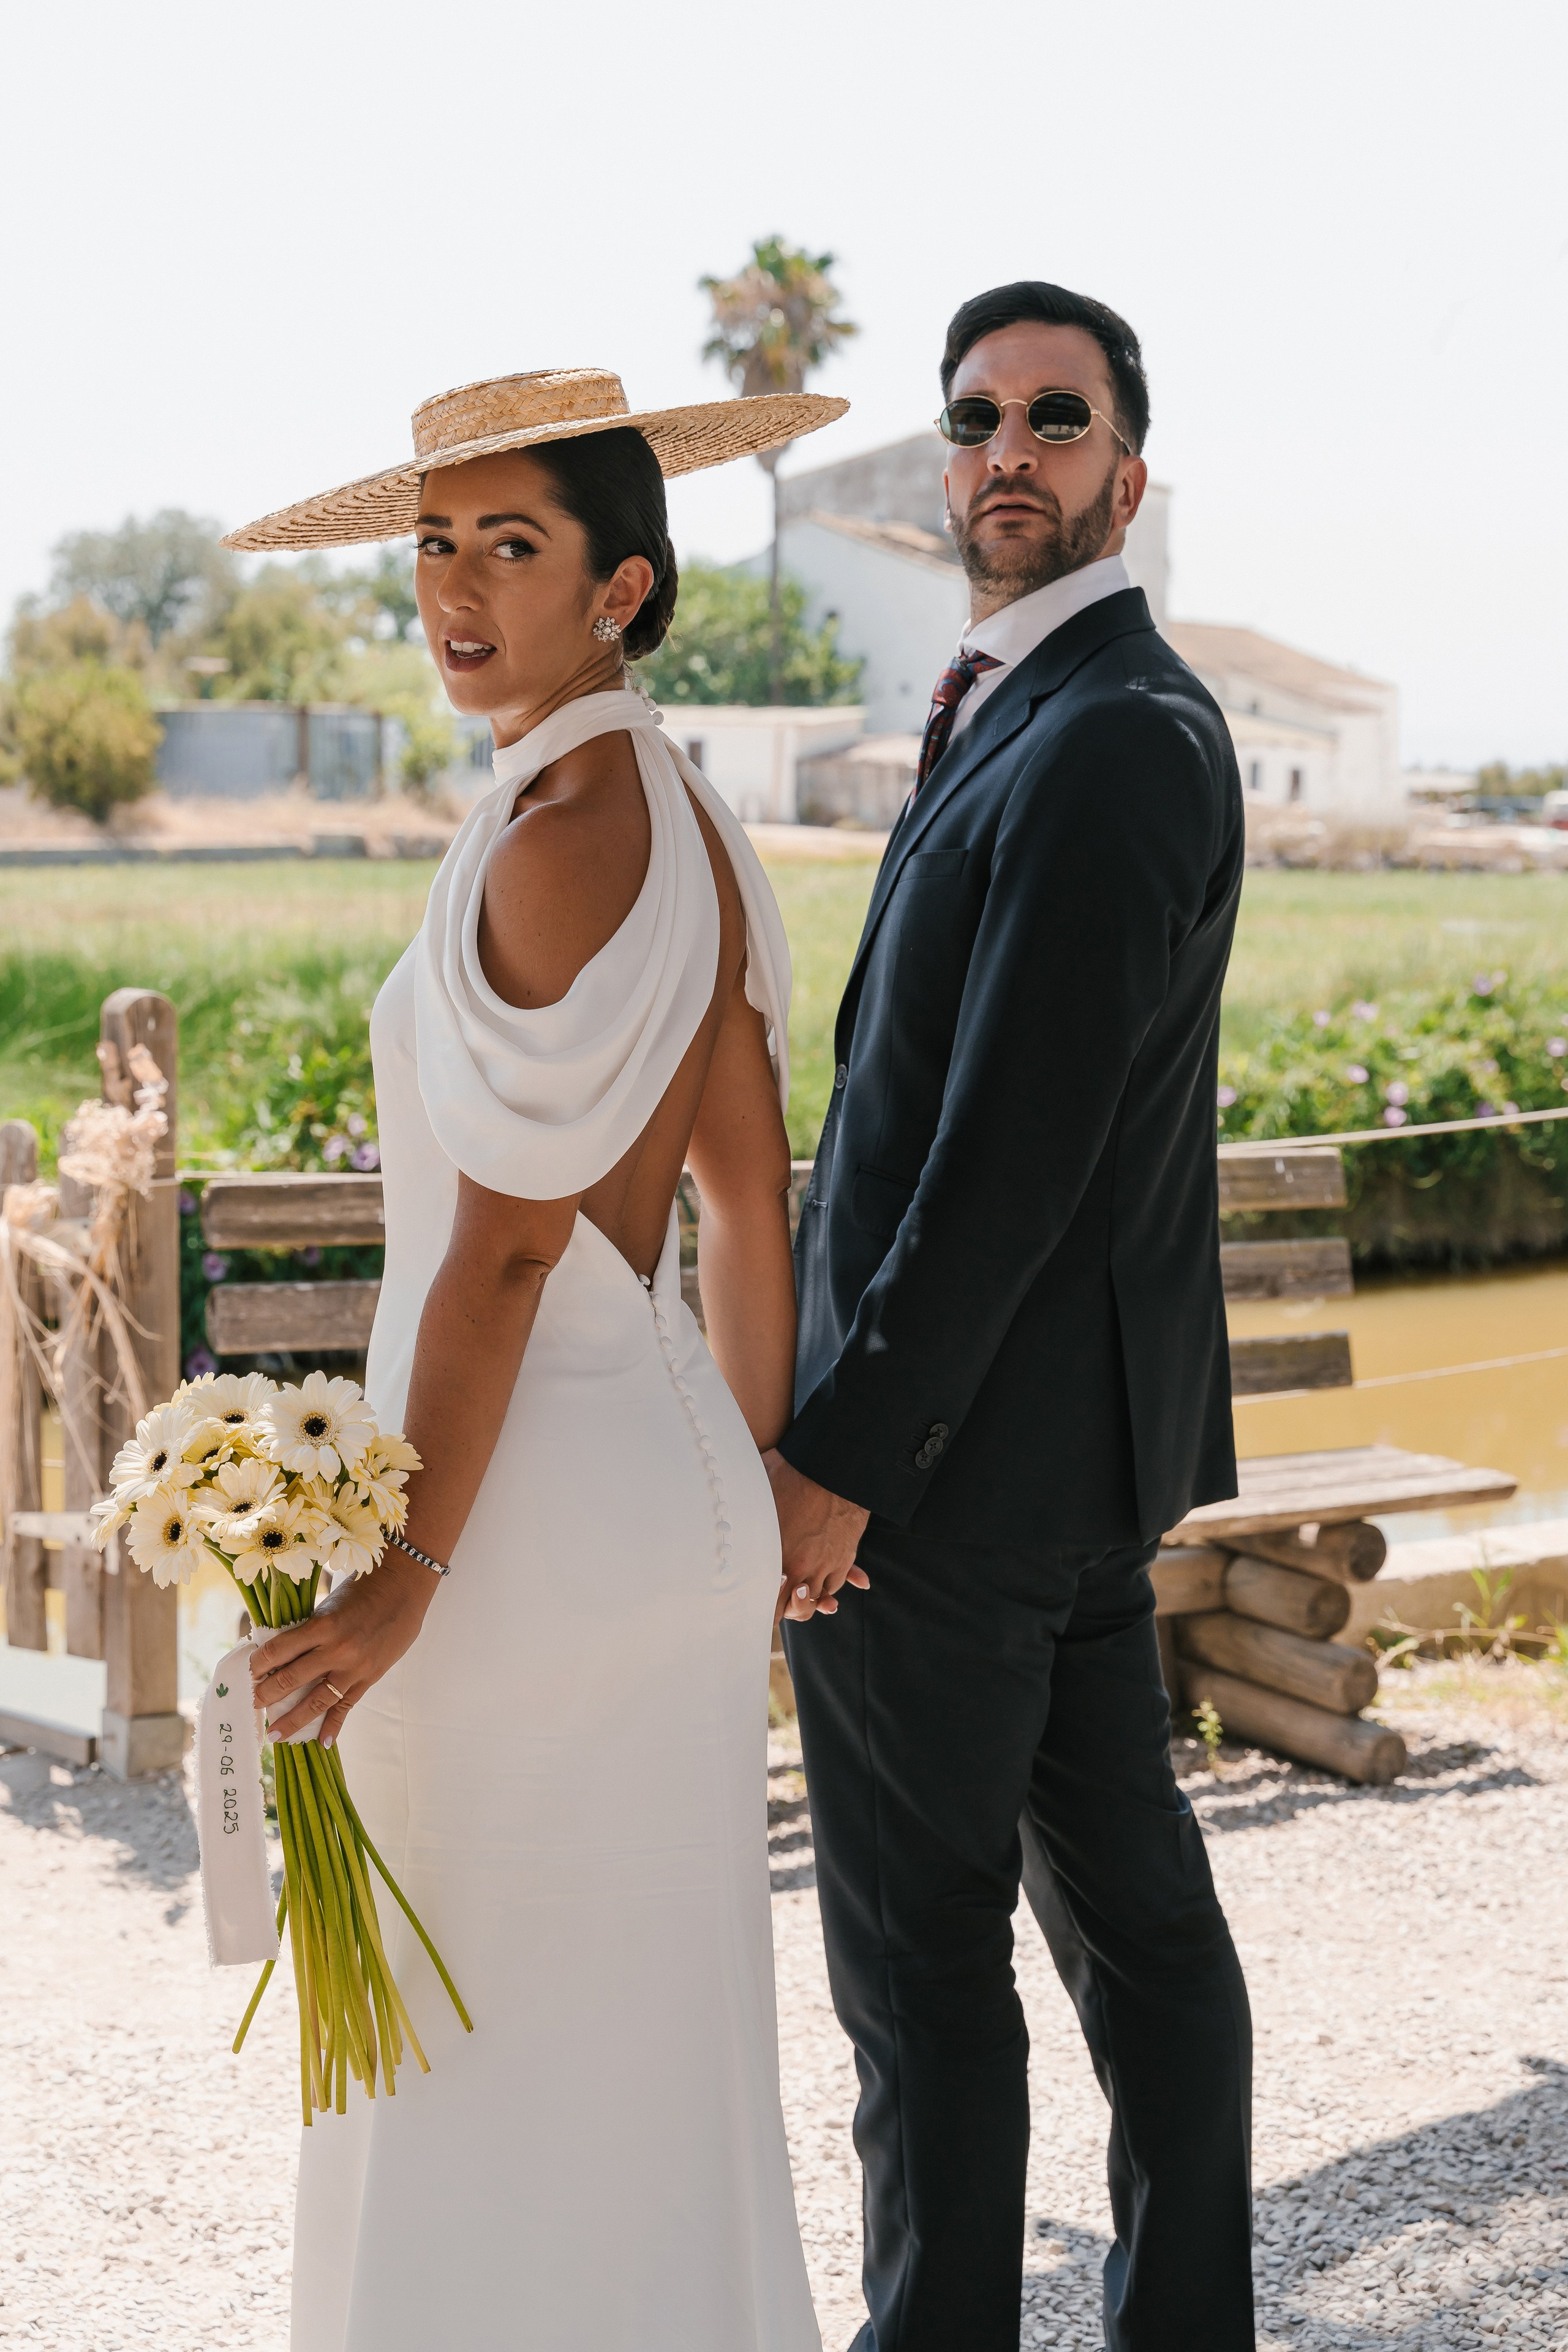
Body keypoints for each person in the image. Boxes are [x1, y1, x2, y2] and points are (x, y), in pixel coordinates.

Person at [235, 365, 846, 2351]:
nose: (457, 590)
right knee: (640, 2049)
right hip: (646, 1500)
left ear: (625, 586)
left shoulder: (560, 830)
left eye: (514, 545)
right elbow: (753, 1200)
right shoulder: (675, 807)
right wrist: (747, 1483)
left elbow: (499, 1263)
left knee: (477, 2054)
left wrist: (401, 1578)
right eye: (433, 543)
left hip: (519, 1533)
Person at [768, 284, 1256, 2352]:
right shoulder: (1028, 708)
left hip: (952, 1486)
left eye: (1057, 420)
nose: (1008, 450)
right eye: (977, 417)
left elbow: (1006, 1163)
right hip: (1051, 1471)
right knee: (1134, 1926)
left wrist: (840, 1467)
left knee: (923, 1976)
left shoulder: (1115, 738)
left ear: (1125, 474)